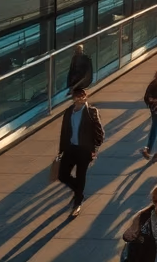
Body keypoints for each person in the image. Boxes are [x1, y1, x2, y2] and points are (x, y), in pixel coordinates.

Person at [58, 86, 105, 217]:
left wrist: (94, 149)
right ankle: (79, 192)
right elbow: (64, 132)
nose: (80, 98)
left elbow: (100, 134)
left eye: (82, 96)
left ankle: (77, 202)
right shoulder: (68, 112)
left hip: (84, 150)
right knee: (62, 175)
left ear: (85, 97)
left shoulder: (91, 112)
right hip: (70, 148)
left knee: (80, 175)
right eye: (77, 96)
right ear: (73, 98)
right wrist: (61, 150)